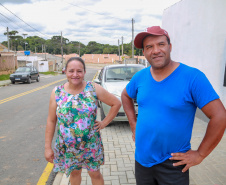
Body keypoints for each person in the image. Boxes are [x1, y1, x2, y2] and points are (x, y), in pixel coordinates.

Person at [121, 26, 226, 185]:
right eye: (149, 47)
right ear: (144, 52)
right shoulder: (140, 76)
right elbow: (125, 95)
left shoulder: (192, 77)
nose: (155, 50)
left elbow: (219, 116)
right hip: (142, 160)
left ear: (170, 47)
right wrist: (133, 124)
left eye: (161, 44)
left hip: (174, 164)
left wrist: (200, 154)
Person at [45, 57, 121, 185]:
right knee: (74, 173)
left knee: (94, 173)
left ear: (84, 72)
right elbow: (51, 121)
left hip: (90, 145)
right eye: (71, 71)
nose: (75, 75)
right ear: (65, 72)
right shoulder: (57, 92)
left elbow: (116, 103)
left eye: (79, 71)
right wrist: (47, 147)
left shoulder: (93, 89)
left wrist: (104, 122)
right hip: (68, 147)